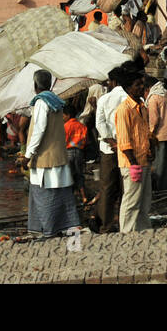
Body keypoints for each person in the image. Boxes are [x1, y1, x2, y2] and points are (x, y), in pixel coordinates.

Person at [17, 70, 81, 240]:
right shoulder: (56, 102)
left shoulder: (41, 102)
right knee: (62, 195)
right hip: (58, 157)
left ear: (35, 85)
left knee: (44, 196)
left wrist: (28, 155)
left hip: (45, 159)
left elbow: (39, 129)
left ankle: (48, 231)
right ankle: (61, 229)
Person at [115, 73, 153, 233]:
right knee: (131, 201)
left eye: (141, 84)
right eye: (137, 85)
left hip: (143, 160)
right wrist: (134, 163)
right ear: (128, 88)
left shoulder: (142, 107)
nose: (141, 88)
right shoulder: (124, 109)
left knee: (144, 200)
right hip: (132, 163)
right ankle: (127, 233)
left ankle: (143, 230)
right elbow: (124, 141)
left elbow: (144, 133)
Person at [92, 68, 128, 234]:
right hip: (127, 148)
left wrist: (111, 141)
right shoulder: (130, 98)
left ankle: (106, 226)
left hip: (108, 149)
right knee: (125, 188)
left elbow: (100, 124)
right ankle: (124, 223)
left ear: (112, 82)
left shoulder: (105, 99)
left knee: (107, 188)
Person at [144, 76, 167, 191]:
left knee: (159, 162)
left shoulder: (154, 98)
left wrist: (150, 134)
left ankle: (159, 186)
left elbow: (154, 120)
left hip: (160, 135)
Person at [63, 105, 92, 207]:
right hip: (79, 152)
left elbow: (62, 141)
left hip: (68, 152)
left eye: (63, 115)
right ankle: (84, 197)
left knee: (69, 175)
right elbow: (87, 141)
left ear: (68, 115)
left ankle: (70, 198)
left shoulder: (65, 126)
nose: (62, 117)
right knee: (79, 175)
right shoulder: (82, 126)